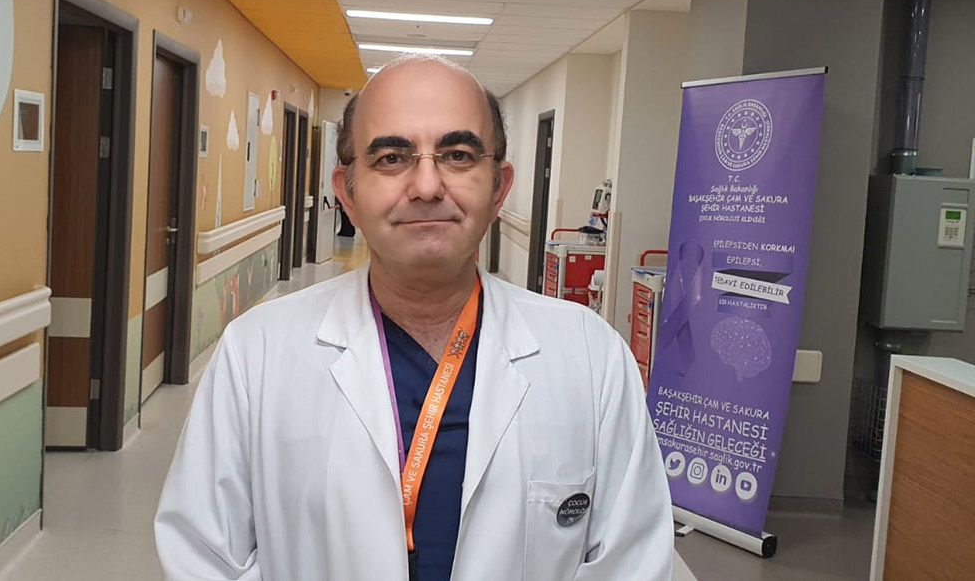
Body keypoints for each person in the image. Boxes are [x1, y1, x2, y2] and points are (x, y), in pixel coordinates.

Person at [154, 55, 673, 580]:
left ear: (499, 188)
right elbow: (203, 557)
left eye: (458, 155)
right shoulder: (256, 354)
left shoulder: (591, 357)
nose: (427, 185)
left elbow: (632, 562)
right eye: (391, 158)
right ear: (348, 192)